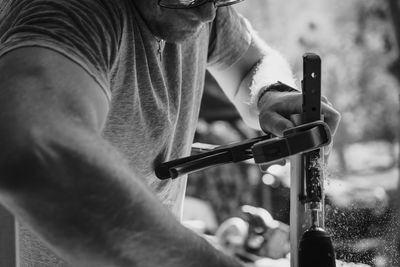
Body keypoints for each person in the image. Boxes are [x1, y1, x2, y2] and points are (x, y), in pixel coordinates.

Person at [0, 0, 340, 266]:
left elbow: (252, 63)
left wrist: (271, 93)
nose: (208, 13)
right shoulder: (70, 12)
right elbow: (34, 153)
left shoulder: (201, 7)